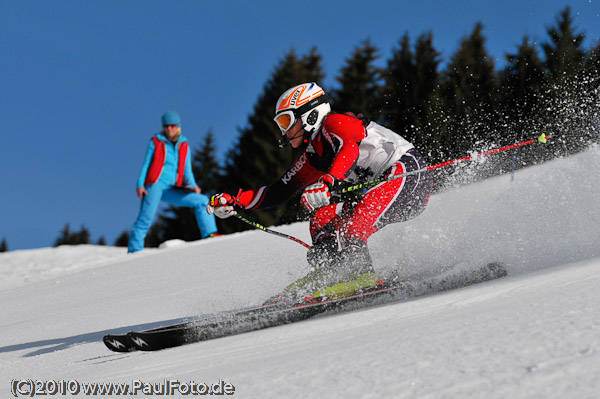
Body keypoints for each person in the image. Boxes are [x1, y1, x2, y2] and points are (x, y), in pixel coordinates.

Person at [207, 83, 432, 299]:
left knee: (354, 225)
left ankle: (360, 273)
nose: (284, 131)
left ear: (309, 115)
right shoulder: (314, 155)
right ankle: (332, 271)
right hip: (388, 190)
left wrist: (328, 181)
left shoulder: (334, 123)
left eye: (287, 121)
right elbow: (278, 192)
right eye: (280, 124)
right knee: (321, 218)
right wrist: (234, 201)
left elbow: (349, 149)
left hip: (409, 174)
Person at [128, 111, 219, 253]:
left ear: (178, 126)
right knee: (145, 218)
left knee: (202, 201)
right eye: (166, 126)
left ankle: (210, 234)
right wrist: (140, 184)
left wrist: (193, 185)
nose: (169, 129)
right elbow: (146, 164)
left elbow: (187, 168)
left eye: (172, 126)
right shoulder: (156, 141)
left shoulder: (184, 144)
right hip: (154, 185)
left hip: (172, 187)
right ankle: (134, 251)